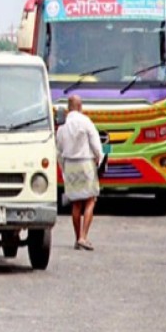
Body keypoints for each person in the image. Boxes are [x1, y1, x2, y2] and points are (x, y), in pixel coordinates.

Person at [56, 94, 103, 251]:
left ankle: (77, 238)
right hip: (85, 163)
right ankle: (84, 236)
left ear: (69, 107)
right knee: (90, 199)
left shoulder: (62, 125)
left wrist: (63, 168)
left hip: (70, 164)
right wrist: (100, 158)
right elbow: (96, 144)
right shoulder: (86, 121)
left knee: (76, 203)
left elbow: (58, 149)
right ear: (80, 106)